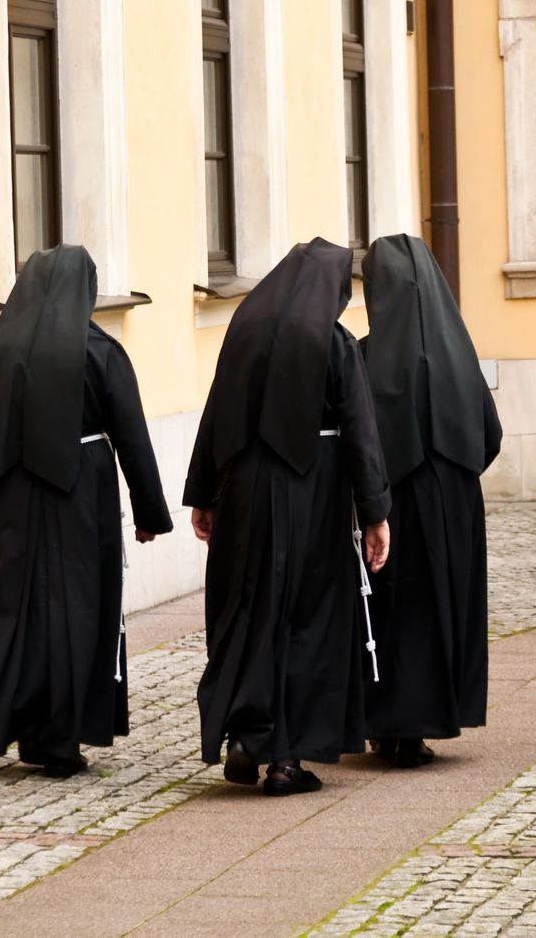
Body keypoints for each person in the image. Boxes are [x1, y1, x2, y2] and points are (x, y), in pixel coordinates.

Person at [0, 244, 171, 778]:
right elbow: (132, 434)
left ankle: (26, 732)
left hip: (11, 500)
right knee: (75, 613)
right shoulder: (99, 351)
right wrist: (148, 512)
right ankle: (61, 741)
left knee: (17, 613)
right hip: (79, 497)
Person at [185, 238, 392, 796]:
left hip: (243, 491)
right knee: (307, 618)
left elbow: (214, 414)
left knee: (248, 612)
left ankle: (245, 736)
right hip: (313, 491)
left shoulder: (242, 333)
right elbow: (361, 432)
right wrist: (376, 512)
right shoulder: (333, 342)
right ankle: (286, 761)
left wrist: (203, 494)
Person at [358, 234, 502, 768]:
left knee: (393, 610)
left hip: (390, 504)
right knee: (443, 604)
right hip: (454, 503)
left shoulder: (364, 355)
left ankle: (389, 722)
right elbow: (491, 436)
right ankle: (426, 722)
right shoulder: (459, 354)